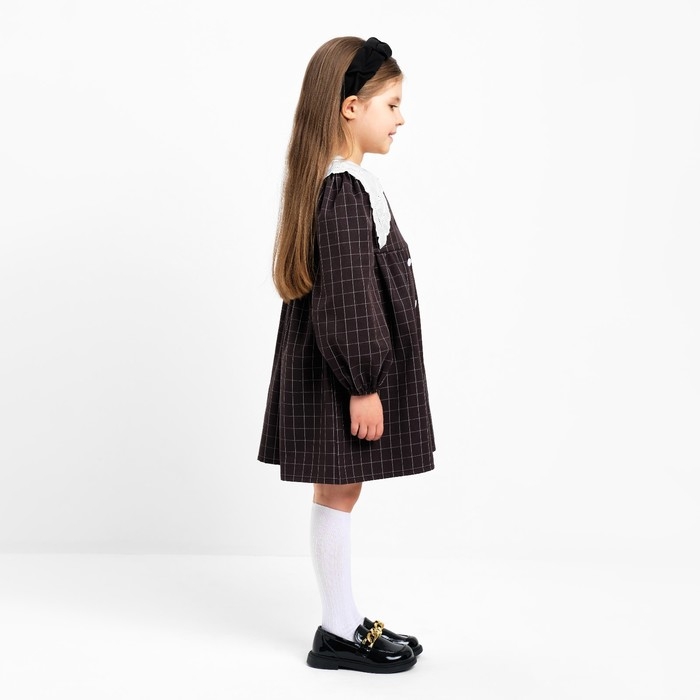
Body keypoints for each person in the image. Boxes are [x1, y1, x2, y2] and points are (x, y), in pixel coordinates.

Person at [257, 36, 435, 674]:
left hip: (340, 368)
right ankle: (336, 629)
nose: (401, 117)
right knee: (338, 491)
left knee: (341, 489)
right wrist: (364, 384)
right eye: (392, 103)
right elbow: (348, 299)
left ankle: (342, 620)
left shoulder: (349, 185)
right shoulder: (341, 192)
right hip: (343, 372)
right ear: (351, 107)